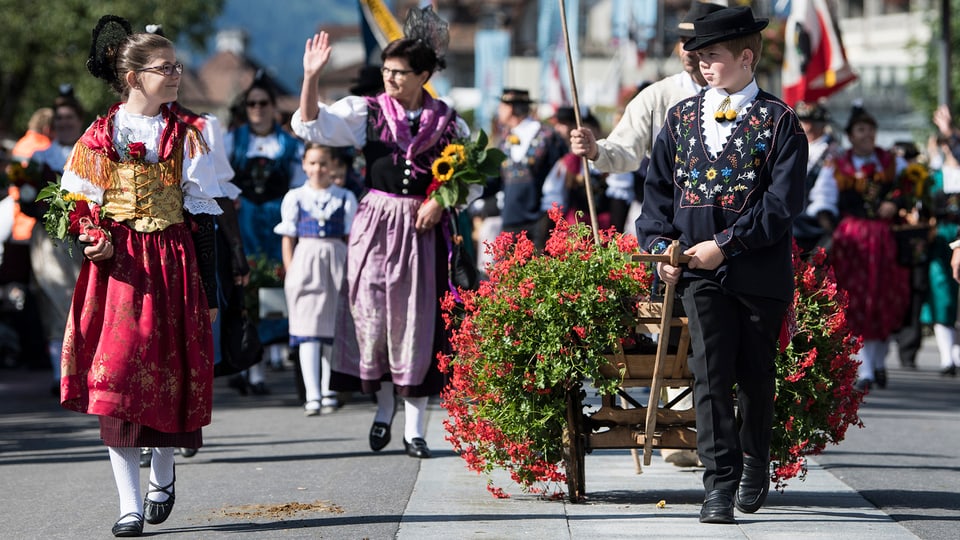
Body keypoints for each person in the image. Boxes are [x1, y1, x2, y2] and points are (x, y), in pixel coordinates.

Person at [635, 6, 807, 523]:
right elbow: (657, 195)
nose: (702, 65)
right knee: (709, 376)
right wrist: (661, 249)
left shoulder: (781, 121)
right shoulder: (679, 118)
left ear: (745, 57)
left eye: (712, 56)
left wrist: (727, 245)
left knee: (755, 377)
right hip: (695, 271)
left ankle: (755, 459)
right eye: (699, 57)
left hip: (757, 270)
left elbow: (781, 206)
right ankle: (718, 483)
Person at [57, 15, 222, 536]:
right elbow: (76, 203)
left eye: (177, 66)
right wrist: (92, 238)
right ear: (133, 77)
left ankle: (164, 473)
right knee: (117, 377)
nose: (175, 74)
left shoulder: (189, 135)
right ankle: (129, 505)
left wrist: (212, 288)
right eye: (164, 67)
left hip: (172, 264)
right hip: (120, 269)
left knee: (167, 374)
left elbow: (203, 215)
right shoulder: (100, 135)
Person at [291, 6, 471, 459]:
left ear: (423, 74)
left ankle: (415, 430)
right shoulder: (365, 112)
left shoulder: (449, 121)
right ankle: (383, 408)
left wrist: (440, 200)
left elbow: (472, 177)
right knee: (373, 319)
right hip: (374, 227)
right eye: (387, 71)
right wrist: (311, 77)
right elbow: (311, 125)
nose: (390, 79)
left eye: (400, 72)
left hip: (424, 231)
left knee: (418, 323)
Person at [570, 0, 725, 470]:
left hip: (724, 231)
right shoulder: (658, 97)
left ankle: (710, 429)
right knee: (671, 325)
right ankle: (682, 427)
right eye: (683, 44)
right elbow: (625, 149)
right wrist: (596, 148)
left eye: (698, 43)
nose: (689, 52)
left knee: (716, 330)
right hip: (665, 229)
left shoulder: (747, 101)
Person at [812, 104, 909, 390]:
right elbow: (823, 201)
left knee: (883, 297)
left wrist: (896, 203)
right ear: (851, 135)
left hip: (884, 240)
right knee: (856, 298)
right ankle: (865, 367)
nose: (867, 135)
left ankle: (878, 362)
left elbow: (910, 189)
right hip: (852, 240)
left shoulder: (892, 162)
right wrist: (834, 231)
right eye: (861, 130)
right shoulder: (838, 165)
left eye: (871, 130)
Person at [224, 75, 306, 394]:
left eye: (263, 103)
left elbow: (300, 184)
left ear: (274, 108)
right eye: (251, 103)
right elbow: (220, 178)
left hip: (276, 221)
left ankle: (270, 356)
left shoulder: (289, 145)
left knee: (273, 284)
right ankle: (252, 369)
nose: (257, 109)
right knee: (247, 287)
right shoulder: (233, 140)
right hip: (244, 221)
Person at [274, 143, 357, 416]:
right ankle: (312, 394)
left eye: (323, 163)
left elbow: (351, 237)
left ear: (332, 166)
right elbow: (288, 237)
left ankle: (329, 389)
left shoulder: (344, 197)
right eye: (312, 163)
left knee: (332, 328)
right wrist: (291, 271)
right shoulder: (296, 197)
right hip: (306, 261)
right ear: (305, 165)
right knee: (307, 329)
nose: (318, 169)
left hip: (336, 259)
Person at [29, 87, 87, 393]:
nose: (64, 123)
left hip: (81, 237)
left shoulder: (89, 153)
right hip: (50, 240)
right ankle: (60, 375)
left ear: (79, 120)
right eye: (60, 118)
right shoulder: (42, 157)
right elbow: (27, 202)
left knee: (83, 301)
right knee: (54, 302)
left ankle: (85, 370)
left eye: (69, 118)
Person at [485, 88, 567, 251]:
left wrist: (551, 216)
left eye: (501, 105)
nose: (499, 110)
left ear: (511, 108)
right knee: (507, 273)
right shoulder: (504, 140)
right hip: (510, 220)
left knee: (537, 273)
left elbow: (561, 177)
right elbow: (494, 180)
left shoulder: (548, 136)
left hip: (540, 221)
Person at [923, 134, 959, 376]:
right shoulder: (933, 175)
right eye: (945, 142)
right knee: (941, 290)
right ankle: (947, 357)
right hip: (941, 236)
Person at [792, 99, 840, 256]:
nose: (806, 125)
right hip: (792, 223)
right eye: (802, 121)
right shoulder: (793, 145)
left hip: (818, 225)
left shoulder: (833, 152)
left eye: (809, 121)